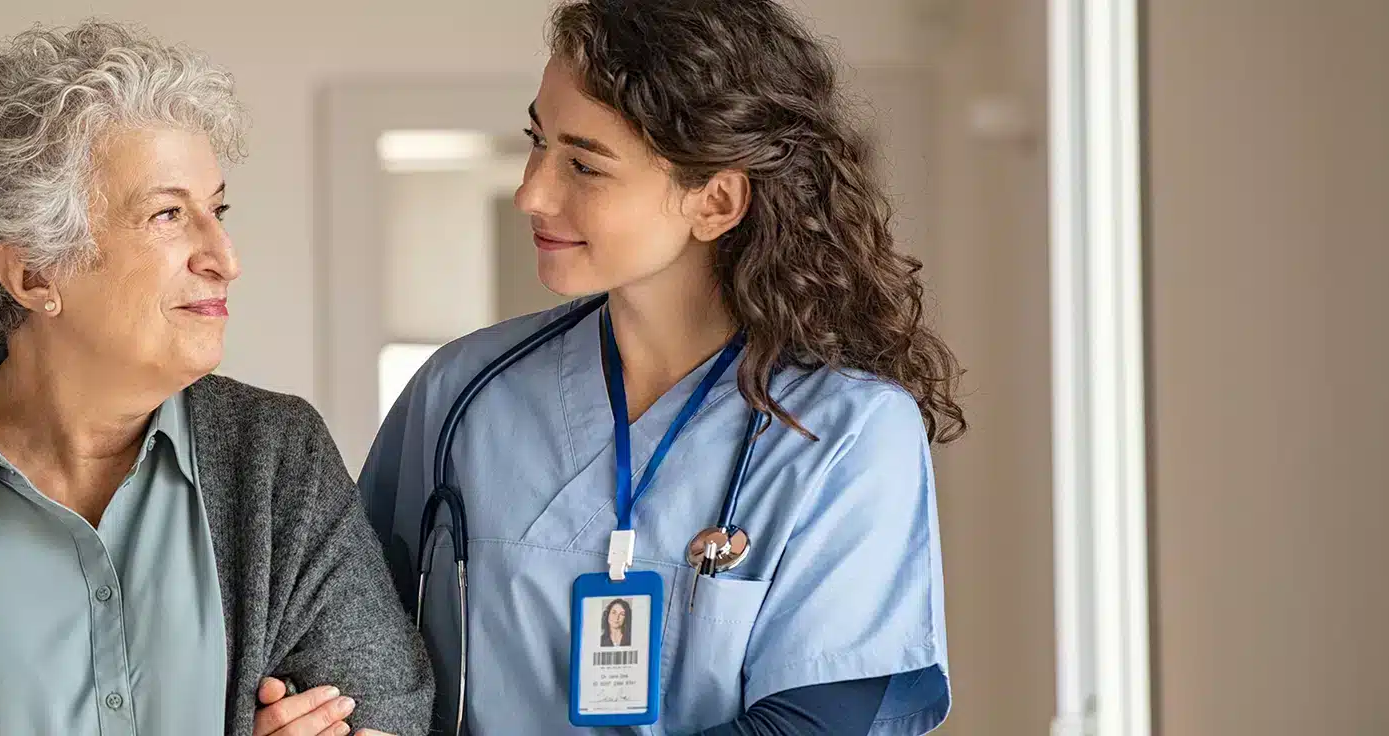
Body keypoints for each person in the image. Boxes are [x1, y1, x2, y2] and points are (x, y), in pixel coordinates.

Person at [0, 21, 431, 736]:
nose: (224, 256)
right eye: (168, 214)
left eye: (217, 209)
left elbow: (385, 712)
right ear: (34, 272)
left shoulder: (277, 456)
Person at [360, 1, 964, 734]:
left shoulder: (844, 433)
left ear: (715, 201)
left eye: (584, 164)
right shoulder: (462, 393)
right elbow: (352, 649)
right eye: (536, 141)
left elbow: (815, 723)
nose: (532, 192)